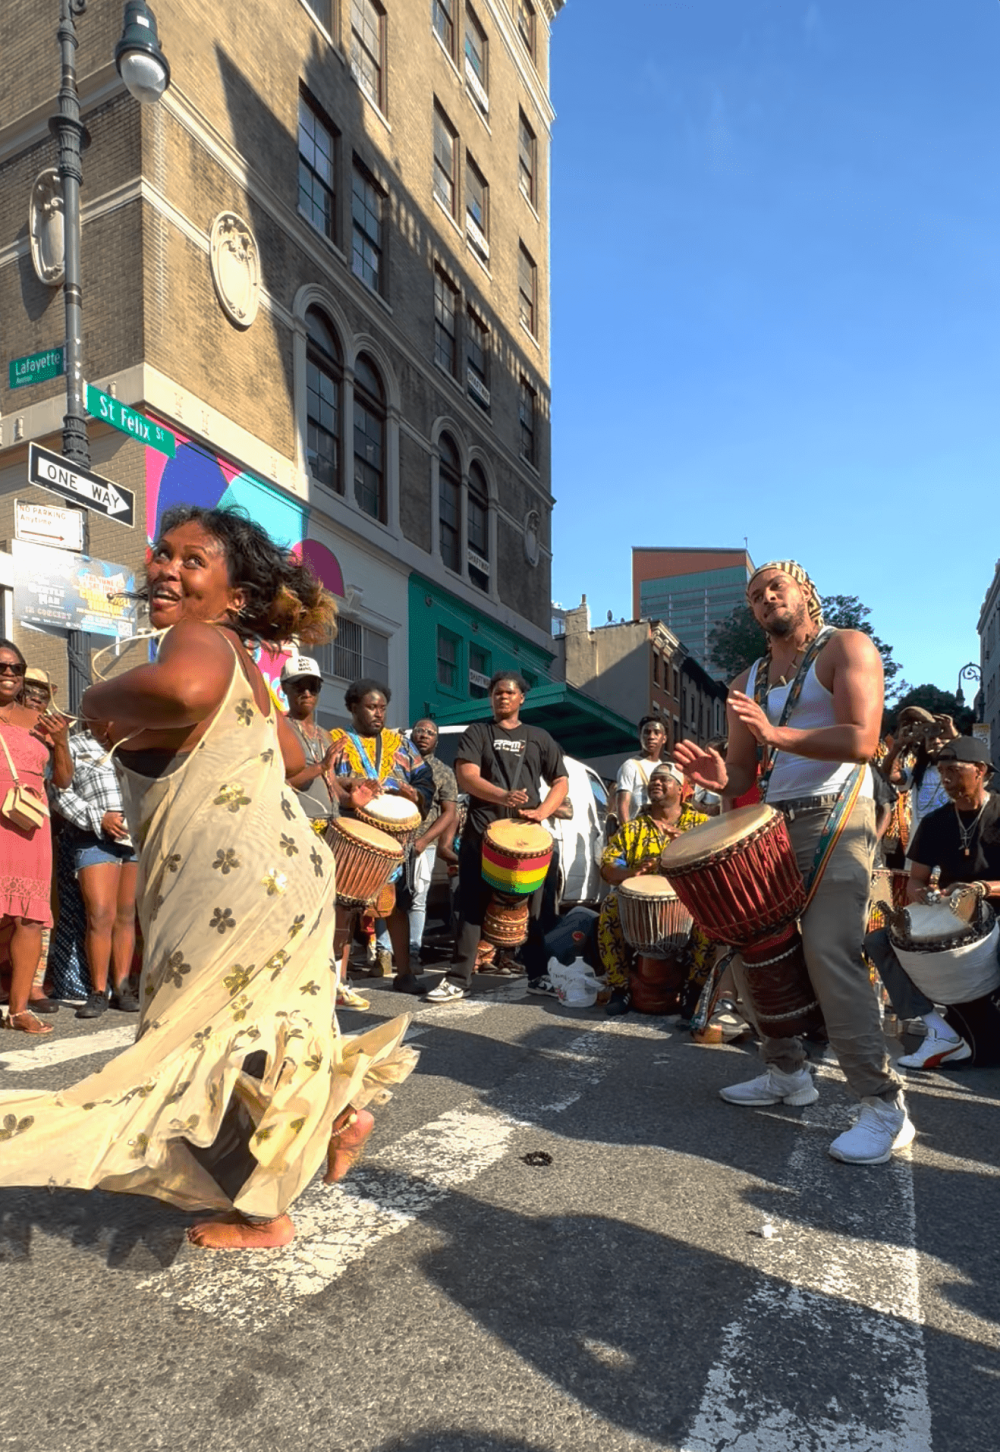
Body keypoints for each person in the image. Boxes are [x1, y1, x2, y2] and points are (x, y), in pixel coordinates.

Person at [0, 506, 416, 1250]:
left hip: (228, 881)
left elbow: (187, 693)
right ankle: (333, 1120)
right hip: (285, 872)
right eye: (163, 554)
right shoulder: (249, 671)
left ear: (235, 598)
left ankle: (265, 1210)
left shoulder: (190, 643)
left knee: (203, 1031)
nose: (166, 567)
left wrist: (96, 702)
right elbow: (290, 761)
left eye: (193, 560)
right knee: (259, 1028)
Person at [674, 559, 912, 1166]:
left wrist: (778, 738)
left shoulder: (846, 647)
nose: (766, 598)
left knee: (828, 948)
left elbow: (863, 739)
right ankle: (787, 1074)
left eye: (776, 587)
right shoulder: (748, 679)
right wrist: (716, 776)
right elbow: (745, 771)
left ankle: (884, 1106)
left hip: (841, 814)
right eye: (756, 595)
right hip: (774, 821)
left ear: (806, 592)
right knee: (754, 944)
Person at [427, 671, 569, 1003]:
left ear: (522, 698)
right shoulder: (478, 732)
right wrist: (501, 796)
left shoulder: (539, 737)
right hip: (481, 833)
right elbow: (466, 776)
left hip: (525, 841)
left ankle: (537, 975)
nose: (501, 697)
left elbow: (560, 781)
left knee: (533, 911)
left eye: (508, 692)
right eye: (496, 693)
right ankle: (458, 979)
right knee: (471, 908)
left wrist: (542, 811)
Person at [865, 735, 1000, 1068]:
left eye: (953, 770)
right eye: (942, 772)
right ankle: (937, 1030)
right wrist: (923, 894)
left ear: (980, 770)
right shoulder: (936, 821)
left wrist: (983, 889)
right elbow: (915, 880)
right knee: (879, 941)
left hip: (996, 912)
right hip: (956, 915)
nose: (945, 779)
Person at [328, 680, 434, 995]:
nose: (378, 714)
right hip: (353, 837)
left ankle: (404, 974)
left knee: (396, 904)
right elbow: (326, 778)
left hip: (393, 843)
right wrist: (351, 783)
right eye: (371, 707)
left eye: (383, 708)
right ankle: (338, 979)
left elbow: (425, 781)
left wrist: (411, 791)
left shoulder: (400, 744)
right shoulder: (337, 740)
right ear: (353, 707)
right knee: (344, 905)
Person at [0, 639, 72, 1034]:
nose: (10, 674)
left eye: (17, 668)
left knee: (28, 918)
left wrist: (60, 742)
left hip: (30, 826)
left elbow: (62, 779)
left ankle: (19, 1009)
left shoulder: (37, 721)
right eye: (2, 667)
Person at [598, 762, 709, 1015]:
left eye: (664, 779)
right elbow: (608, 865)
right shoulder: (633, 829)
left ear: (681, 789)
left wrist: (688, 845)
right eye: (653, 779)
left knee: (710, 915)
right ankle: (620, 987)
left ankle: (694, 991)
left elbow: (717, 859)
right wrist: (630, 873)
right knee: (610, 906)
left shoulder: (702, 824)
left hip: (688, 899)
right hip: (638, 905)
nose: (656, 783)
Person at [50, 722, 141, 1018]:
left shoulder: (132, 747)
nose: (114, 720)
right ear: (91, 717)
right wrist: (98, 818)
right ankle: (98, 991)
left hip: (133, 838)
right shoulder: (75, 745)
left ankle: (123, 988)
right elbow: (60, 793)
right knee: (100, 913)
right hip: (93, 837)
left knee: (126, 915)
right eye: (107, 713)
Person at [407, 720, 458, 966]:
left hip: (423, 845)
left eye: (430, 733)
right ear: (412, 735)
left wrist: (425, 839)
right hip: (392, 840)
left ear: (436, 741)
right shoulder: (395, 763)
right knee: (386, 898)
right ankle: (384, 952)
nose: (424, 735)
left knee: (418, 897)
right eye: (420, 730)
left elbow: (450, 812)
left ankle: (413, 951)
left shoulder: (444, 772)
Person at [879, 707, 956, 852]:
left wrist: (955, 735)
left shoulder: (961, 772)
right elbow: (889, 774)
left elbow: (972, 761)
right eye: (931, 738)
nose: (937, 741)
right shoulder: (917, 772)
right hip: (919, 853)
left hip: (950, 853)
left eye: (942, 738)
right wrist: (898, 746)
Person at [281, 654, 339, 826]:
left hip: (331, 825)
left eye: (313, 687)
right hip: (297, 825)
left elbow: (333, 784)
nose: (307, 693)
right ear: (284, 688)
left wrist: (351, 798)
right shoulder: (279, 729)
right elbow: (278, 785)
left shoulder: (325, 735)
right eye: (299, 687)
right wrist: (320, 766)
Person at [615, 716, 667, 825]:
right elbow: (623, 804)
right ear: (640, 736)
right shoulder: (631, 765)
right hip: (637, 831)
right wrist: (628, 833)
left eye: (656, 733)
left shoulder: (664, 768)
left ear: (664, 739)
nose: (651, 737)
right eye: (647, 733)